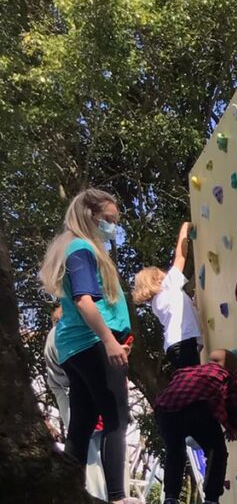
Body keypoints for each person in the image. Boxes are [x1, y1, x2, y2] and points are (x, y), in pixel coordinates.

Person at [38, 188, 134, 504]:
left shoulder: (75, 249)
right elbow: (83, 301)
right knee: (117, 419)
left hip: (76, 347)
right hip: (92, 343)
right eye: (108, 219)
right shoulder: (81, 248)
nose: (112, 226)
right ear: (90, 216)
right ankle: (118, 497)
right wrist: (109, 341)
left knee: (82, 422)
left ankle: (67, 491)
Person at [155, 349, 237, 504]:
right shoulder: (225, 375)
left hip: (165, 409)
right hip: (198, 408)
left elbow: (173, 389)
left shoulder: (186, 370)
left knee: (175, 452)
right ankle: (211, 498)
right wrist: (233, 428)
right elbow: (234, 404)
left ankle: (171, 497)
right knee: (217, 453)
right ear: (233, 370)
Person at [44, 307, 108, 500]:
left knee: (93, 448)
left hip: (80, 391)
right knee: (90, 451)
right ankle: (98, 495)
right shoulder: (62, 333)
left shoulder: (62, 334)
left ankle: (102, 494)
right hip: (75, 390)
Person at [131, 222, 202, 369]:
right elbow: (181, 256)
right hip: (184, 342)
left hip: (173, 345)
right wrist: (184, 231)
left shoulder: (156, 303)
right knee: (194, 382)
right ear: (156, 279)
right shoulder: (168, 286)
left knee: (189, 381)